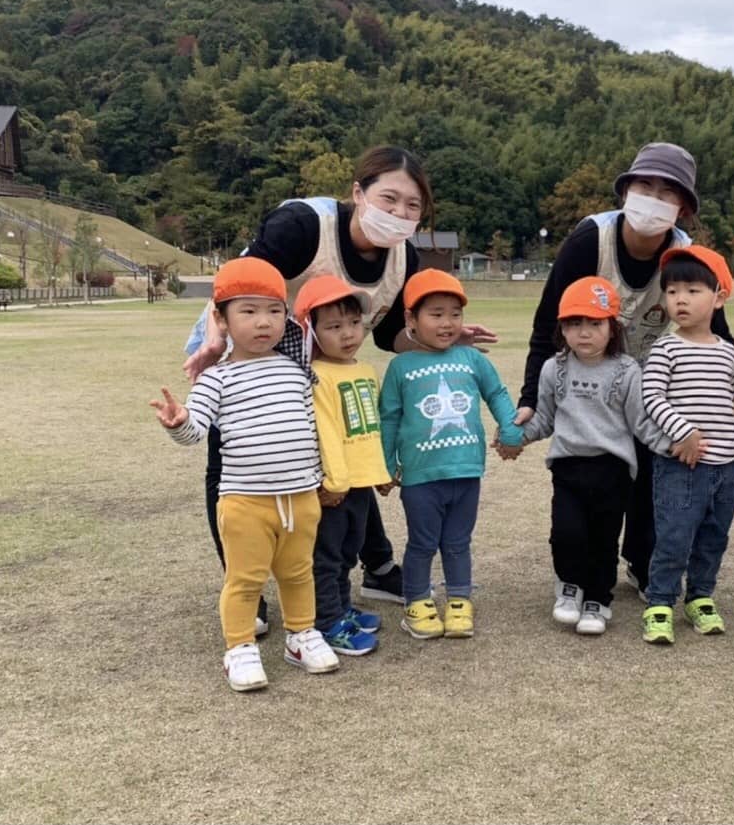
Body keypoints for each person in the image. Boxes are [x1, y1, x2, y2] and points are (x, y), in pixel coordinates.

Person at [182, 146, 497, 631]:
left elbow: (393, 333)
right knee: (234, 462)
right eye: (388, 199)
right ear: (358, 193)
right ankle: (245, 591)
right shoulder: (303, 226)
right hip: (248, 352)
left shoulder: (403, 258)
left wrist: (441, 335)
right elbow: (234, 283)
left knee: (346, 458)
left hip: (322, 371)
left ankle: (378, 567)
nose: (399, 214)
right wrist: (217, 335)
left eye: (412, 207)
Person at [516, 142, 734, 599]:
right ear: (625, 191)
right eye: (644, 186)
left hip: (653, 382)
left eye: (667, 193)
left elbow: (718, 334)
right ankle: (578, 569)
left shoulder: (685, 256)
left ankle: (640, 559)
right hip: (595, 376)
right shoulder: (589, 242)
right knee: (595, 477)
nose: (653, 199)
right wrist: (531, 398)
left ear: (683, 210)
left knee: (653, 475)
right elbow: (545, 326)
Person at [151, 258, 340, 692]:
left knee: (298, 573)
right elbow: (196, 433)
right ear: (221, 318)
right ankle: (238, 648)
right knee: (245, 579)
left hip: (301, 498)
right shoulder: (215, 379)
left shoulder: (297, 370)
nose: (263, 323)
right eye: (248, 312)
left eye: (274, 311)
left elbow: (317, 426)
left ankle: (301, 635)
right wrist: (178, 421)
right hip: (245, 502)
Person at [520, 276, 675, 636]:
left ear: (612, 327)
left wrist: (672, 446)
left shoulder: (627, 371)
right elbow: (544, 419)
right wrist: (517, 437)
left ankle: (598, 599)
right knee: (566, 533)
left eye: (594, 323)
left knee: (604, 539)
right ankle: (569, 586)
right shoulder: (553, 368)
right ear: (562, 328)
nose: (584, 333)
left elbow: (641, 423)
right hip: (568, 467)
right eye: (575, 324)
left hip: (613, 471)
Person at [379, 270, 524, 640]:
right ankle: (417, 600)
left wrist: (510, 429)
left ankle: (459, 599)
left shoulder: (471, 359)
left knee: (458, 542)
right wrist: (383, 464)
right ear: (411, 320)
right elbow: (390, 418)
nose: (447, 323)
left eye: (454, 314)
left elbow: (496, 393)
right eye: (436, 314)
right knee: (423, 542)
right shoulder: (400, 367)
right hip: (419, 477)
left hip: (466, 470)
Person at [639, 246, 734, 645]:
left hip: (723, 469)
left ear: (719, 297)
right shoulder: (666, 347)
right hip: (680, 466)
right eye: (671, 291)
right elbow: (652, 397)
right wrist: (683, 432)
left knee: (714, 536)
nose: (680, 299)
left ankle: (700, 597)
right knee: (674, 535)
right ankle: (660, 603)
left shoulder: (728, 352)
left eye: (692, 290)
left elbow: (733, 407)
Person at [293, 275, 397, 658]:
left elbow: (373, 429)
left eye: (354, 323)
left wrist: (383, 472)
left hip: (361, 484)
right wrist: (333, 482)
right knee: (327, 556)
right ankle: (327, 622)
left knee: (349, 552)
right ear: (312, 332)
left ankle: (342, 608)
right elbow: (327, 432)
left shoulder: (366, 370)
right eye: (333, 327)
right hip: (333, 489)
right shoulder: (317, 377)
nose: (348, 333)